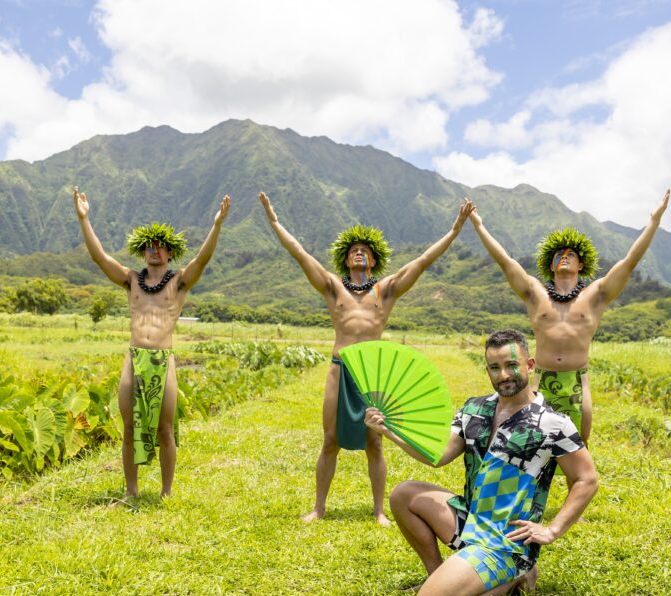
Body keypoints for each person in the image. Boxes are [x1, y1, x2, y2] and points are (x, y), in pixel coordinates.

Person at [259, 191, 472, 525]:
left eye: (365, 252)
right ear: (346, 260)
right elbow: (300, 254)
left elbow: (422, 262)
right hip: (339, 370)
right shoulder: (333, 288)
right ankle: (319, 507)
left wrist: (455, 230)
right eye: (354, 251)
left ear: (372, 261)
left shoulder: (384, 291)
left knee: (375, 442)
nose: (359, 254)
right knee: (330, 441)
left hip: (371, 376)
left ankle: (378, 511)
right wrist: (274, 220)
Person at [366, 329, 598, 596]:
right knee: (404, 494)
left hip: (504, 540)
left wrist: (552, 530)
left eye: (512, 365)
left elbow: (586, 479)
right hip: (470, 519)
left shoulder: (553, 422)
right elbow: (437, 457)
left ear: (530, 365)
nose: (504, 375)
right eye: (495, 367)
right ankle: (437, 574)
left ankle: (516, 577)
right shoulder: (474, 408)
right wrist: (389, 430)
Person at [470, 190, 671, 442]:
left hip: (577, 382)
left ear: (581, 265)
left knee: (576, 449)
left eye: (571, 255)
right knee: (530, 449)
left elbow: (630, 261)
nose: (564, 257)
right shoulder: (535, 293)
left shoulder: (596, 295)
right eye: (559, 256)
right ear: (551, 265)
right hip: (540, 382)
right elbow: (505, 262)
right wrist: (479, 225)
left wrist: (654, 222)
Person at [74, 187, 230, 498]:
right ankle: (131, 491)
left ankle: (166, 492)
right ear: (142, 252)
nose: (154, 251)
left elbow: (204, 258)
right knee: (129, 428)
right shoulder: (131, 279)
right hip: (134, 359)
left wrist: (217, 224)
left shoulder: (179, 281)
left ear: (170, 253)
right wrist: (84, 219)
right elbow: (99, 256)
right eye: (148, 247)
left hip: (163, 359)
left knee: (165, 429)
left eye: (160, 247)